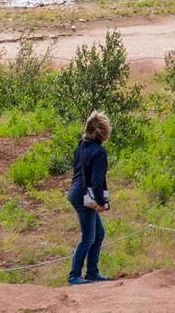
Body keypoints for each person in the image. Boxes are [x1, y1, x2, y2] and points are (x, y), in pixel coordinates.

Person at [67, 111, 113, 286]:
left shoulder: (81, 146)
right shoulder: (99, 152)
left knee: (98, 233)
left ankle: (92, 272)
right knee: (89, 236)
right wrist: (101, 202)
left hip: (76, 192)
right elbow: (96, 181)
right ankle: (74, 275)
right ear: (103, 131)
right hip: (85, 196)